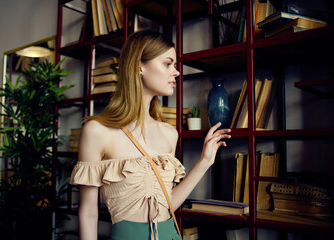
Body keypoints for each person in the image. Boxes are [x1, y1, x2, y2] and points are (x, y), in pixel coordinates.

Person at [70, 30, 231, 240]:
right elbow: (89, 213)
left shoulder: (169, 133)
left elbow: (168, 203)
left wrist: (205, 161)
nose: (176, 72)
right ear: (140, 66)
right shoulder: (96, 131)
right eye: (168, 64)